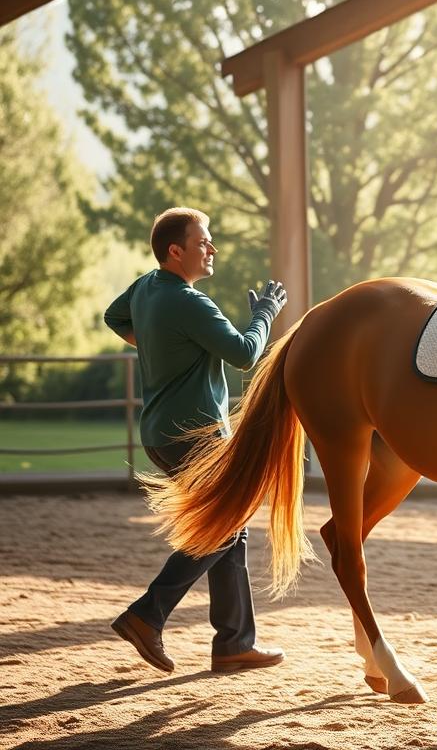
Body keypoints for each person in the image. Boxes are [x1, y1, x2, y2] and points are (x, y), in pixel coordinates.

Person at [104, 207, 289, 674]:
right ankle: (148, 615)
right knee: (220, 526)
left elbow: (113, 316)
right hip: (197, 436)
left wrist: (156, 340)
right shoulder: (191, 303)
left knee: (231, 527)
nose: (212, 249)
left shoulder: (147, 288)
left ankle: (234, 642)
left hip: (159, 433)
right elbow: (245, 354)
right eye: (204, 241)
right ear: (176, 250)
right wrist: (266, 312)